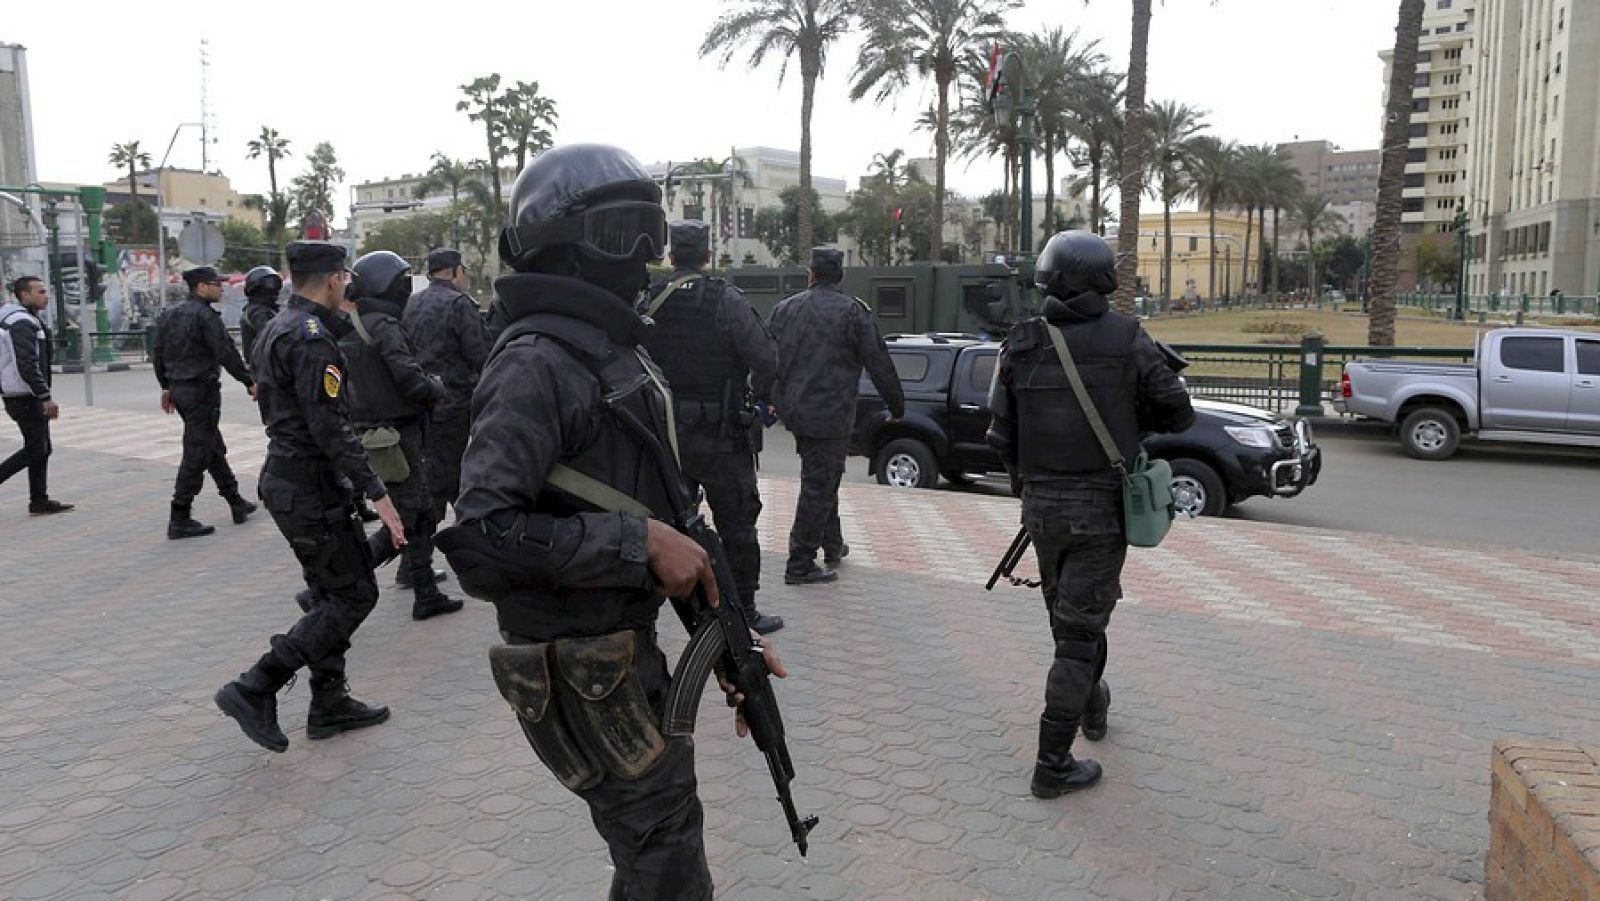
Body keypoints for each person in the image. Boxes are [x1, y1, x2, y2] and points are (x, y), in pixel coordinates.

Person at [435, 143, 784, 900]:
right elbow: (482, 540)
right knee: (664, 857)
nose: (642, 256)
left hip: (620, 650)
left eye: (649, 232)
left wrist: (729, 641)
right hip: (575, 664)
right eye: (619, 233)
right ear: (560, 245)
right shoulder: (536, 362)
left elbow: (671, 513)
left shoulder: (607, 353)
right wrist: (638, 542)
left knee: (657, 850)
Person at [986, 230, 1194, 798]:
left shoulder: (1020, 341)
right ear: (1103, 279)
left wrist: (1029, 487)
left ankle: (1093, 706)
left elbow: (1000, 435)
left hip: (1041, 510)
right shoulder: (1128, 338)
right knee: (1077, 636)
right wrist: (1130, 421)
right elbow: (1179, 415)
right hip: (1100, 510)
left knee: (1072, 623)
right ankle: (1051, 764)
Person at [214, 241, 407, 753]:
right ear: (335, 279)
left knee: (329, 593)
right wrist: (378, 493)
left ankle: (329, 701)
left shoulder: (277, 325)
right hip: (309, 485)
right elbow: (330, 427)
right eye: (345, 277)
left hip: (291, 480)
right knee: (354, 595)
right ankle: (256, 684)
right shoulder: (312, 337)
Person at [639, 221, 783, 634]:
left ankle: (657, 610)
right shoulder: (724, 298)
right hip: (720, 436)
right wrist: (758, 397)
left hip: (665, 434)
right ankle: (744, 610)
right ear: (707, 256)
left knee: (666, 522)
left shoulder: (649, 299)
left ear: (671, 256)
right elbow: (766, 359)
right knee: (737, 522)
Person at [768, 247, 904, 585]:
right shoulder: (853, 312)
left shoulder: (785, 309)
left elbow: (764, 356)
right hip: (831, 414)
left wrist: (767, 399)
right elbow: (878, 361)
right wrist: (896, 405)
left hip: (797, 412)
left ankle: (832, 544)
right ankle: (800, 563)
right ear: (841, 275)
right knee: (818, 485)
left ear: (810, 274)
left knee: (823, 476)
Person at [341, 250, 461, 621]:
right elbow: (408, 377)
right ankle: (333, 588)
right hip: (397, 435)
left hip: (381, 433)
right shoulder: (382, 325)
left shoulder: (353, 324)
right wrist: (436, 387)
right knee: (407, 516)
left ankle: (425, 592)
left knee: (422, 513)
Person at [152, 266, 258, 539]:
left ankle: (235, 501)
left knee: (210, 446)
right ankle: (179, 516)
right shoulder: (206, 316)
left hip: (181, 390)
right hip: (201, 391)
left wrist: (166, 386)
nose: (221, 288)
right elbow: (225, 351)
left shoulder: (170, 314)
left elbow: (158, 352)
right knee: (196, 452)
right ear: (201, 287)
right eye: (216, 284)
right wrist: (248, 380)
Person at [401, 247, 487, 535]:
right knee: (453, 477)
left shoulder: (411, 303)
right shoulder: (460, 304)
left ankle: (420, 545)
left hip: (420, 403)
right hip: (454, 405)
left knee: (430, 473)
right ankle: (436, 543)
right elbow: (479, 355)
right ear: (455, 272)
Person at [0, 276, 71, 514]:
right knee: (36, 449)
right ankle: (39, 499)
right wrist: (44, 396)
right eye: (40, 292)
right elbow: (27, 364)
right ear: (24, 295)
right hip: (24, 396)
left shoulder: (21, 318)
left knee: (41, 448)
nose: (46, 296)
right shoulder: (21, 322)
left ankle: (39, 500)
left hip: (21, 393)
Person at [239, 265, 284, 364]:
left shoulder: (267, 309)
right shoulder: (257, 312)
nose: (275, 288)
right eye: (271, 283)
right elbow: (276, 338)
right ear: (256, 287)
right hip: (264, 367)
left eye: (276, 283)